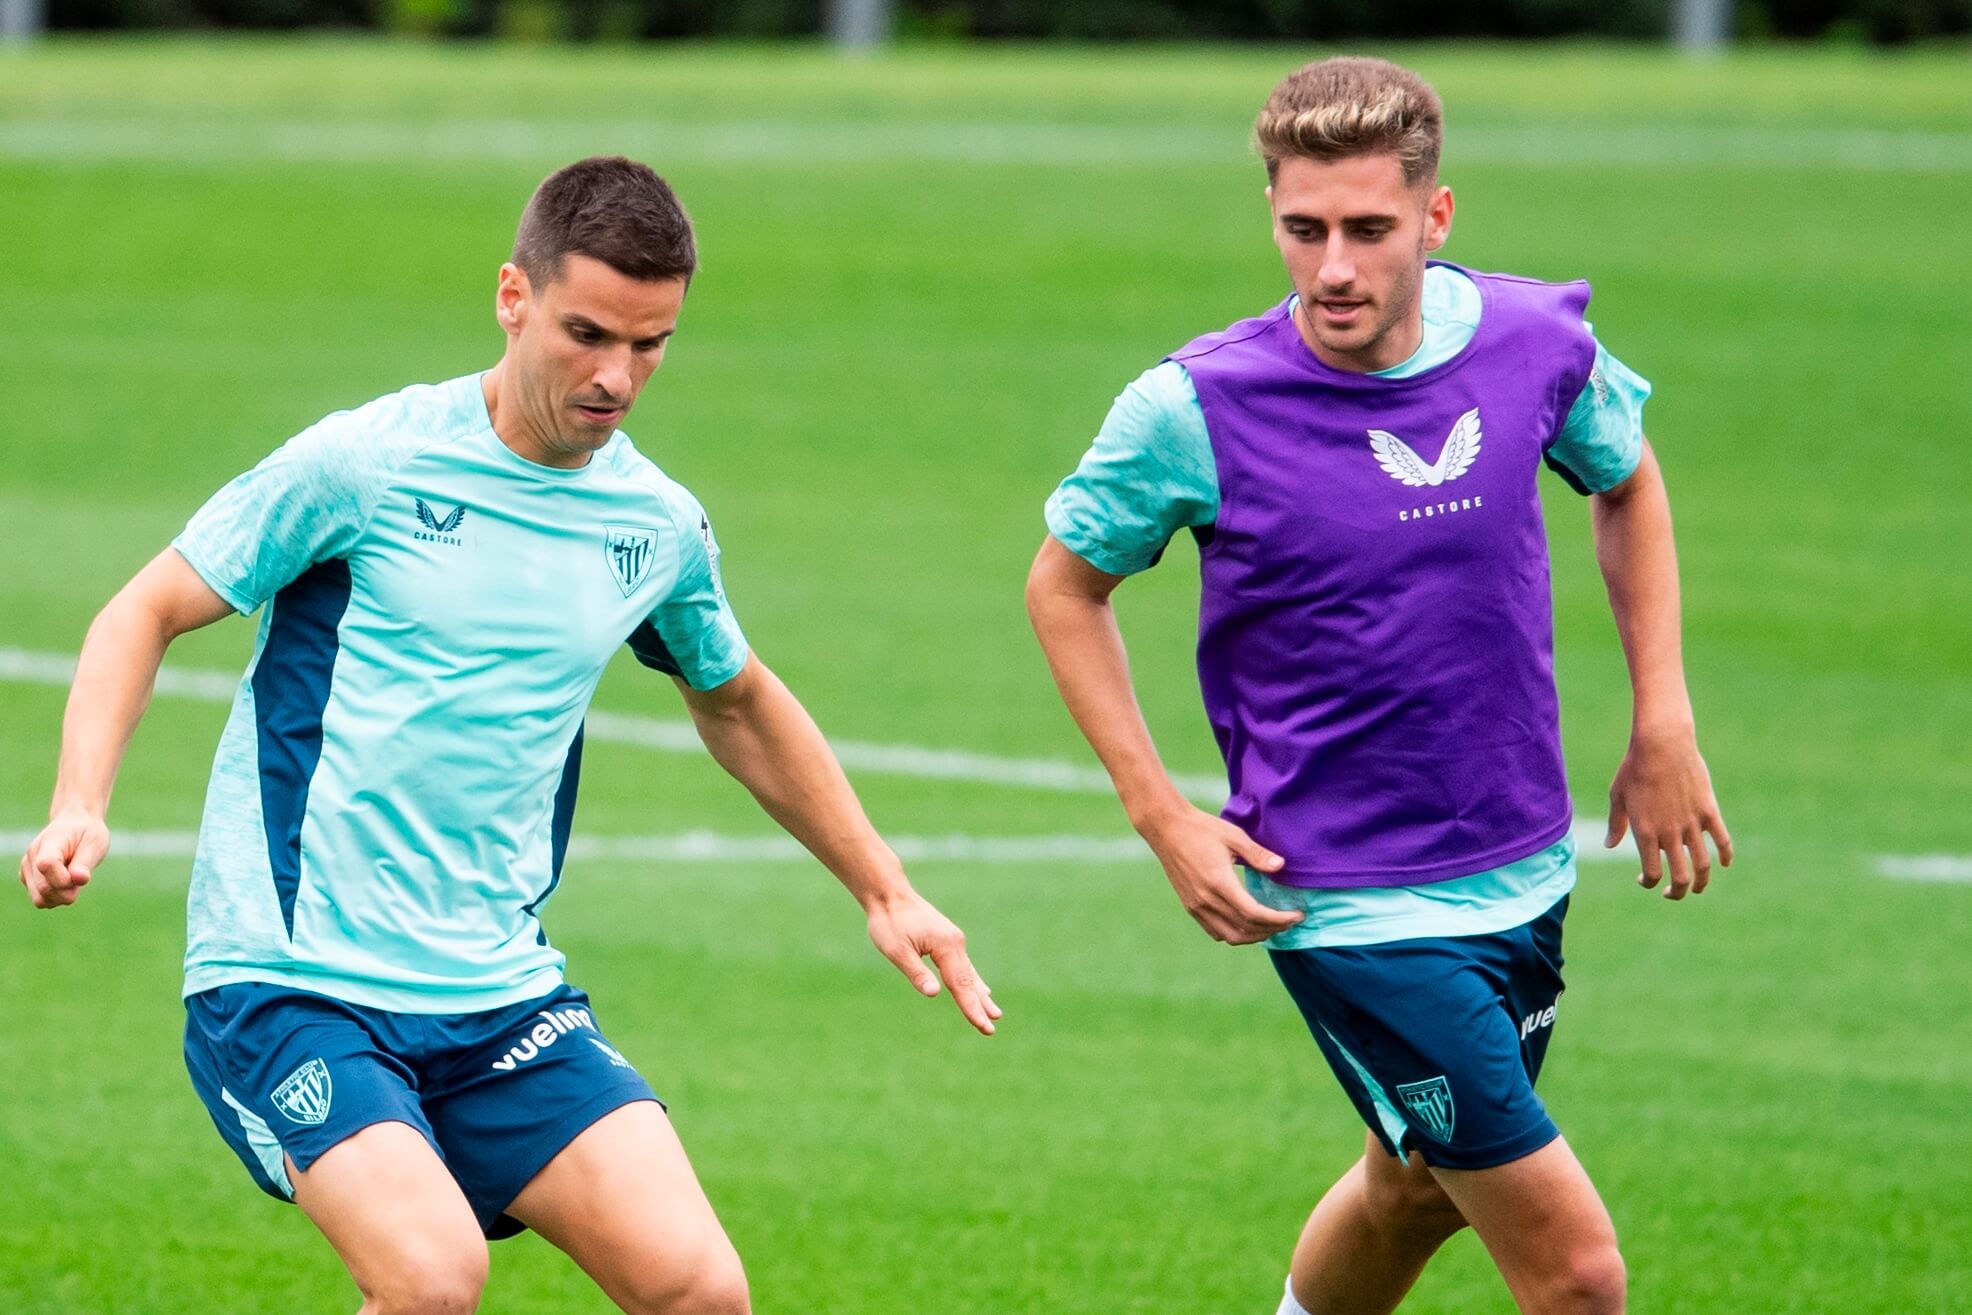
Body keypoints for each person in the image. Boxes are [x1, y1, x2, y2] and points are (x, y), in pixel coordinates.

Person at [18, 155, 999, 1315]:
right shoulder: (368, 464)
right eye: (588, 332)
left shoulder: (656, 524)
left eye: (650, 344)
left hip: (497, 989)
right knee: (434, 1277)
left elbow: (734, 697)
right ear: (512, 296)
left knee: (700, 1289)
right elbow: (145, 610)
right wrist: (81, 800)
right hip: (288, 976)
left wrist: (882, 887)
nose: (616, 376)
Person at [1026, 58, 1729, 1315]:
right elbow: (1063, 588)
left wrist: (1661, 716)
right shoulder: (1195, 407)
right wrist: (1160, 813)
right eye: (1303, 230)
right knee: (1576, 1274)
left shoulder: (1532, 343)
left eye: (1368, 230)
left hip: (1521, 865)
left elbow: (1624, 476)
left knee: (1412, 1187)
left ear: (1435, 216)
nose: (1334, 267)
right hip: (1350, 903)